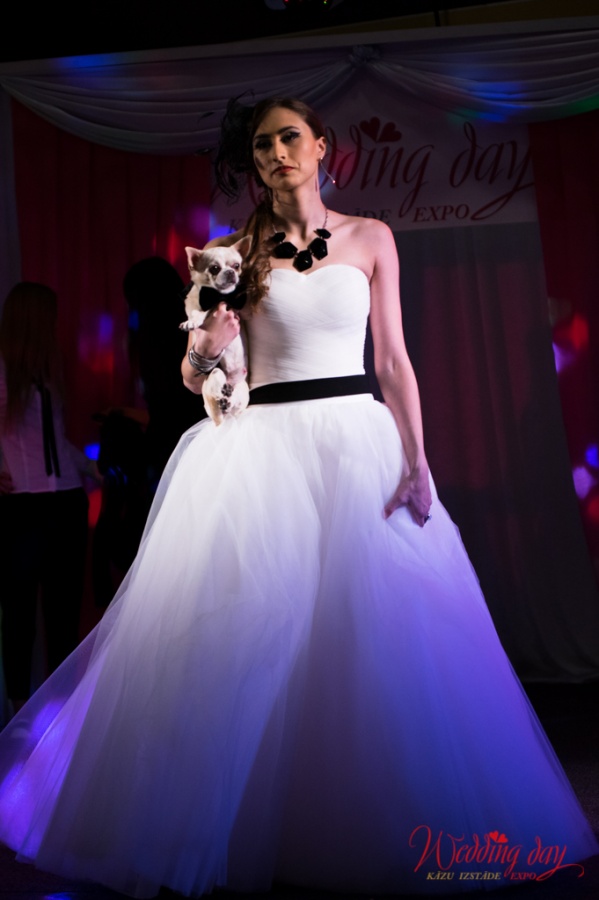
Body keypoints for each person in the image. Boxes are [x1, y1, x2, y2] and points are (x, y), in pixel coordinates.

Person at [0, 98, 596, 898]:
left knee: (379, 630)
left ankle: (373, 820)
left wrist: (417, 458)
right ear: (252, 164)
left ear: (321, 147)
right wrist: (207, 350)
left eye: (290, 137)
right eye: (262, 145)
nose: (277, 152)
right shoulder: (229, 254)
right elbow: (199, 377)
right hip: (263, 448)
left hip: (356, 439)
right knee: (247, 637)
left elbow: (393, 360)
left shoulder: (371, 238)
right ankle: (236, 822)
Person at [0, 282, 94, 716]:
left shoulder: (48, 374)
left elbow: (53, 441)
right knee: (19, 613)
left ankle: (61, 710)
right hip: (23, 507)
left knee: (63, 614)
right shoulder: (4, 373)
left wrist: (90, 468)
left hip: (65, 502)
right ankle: (20, 712)